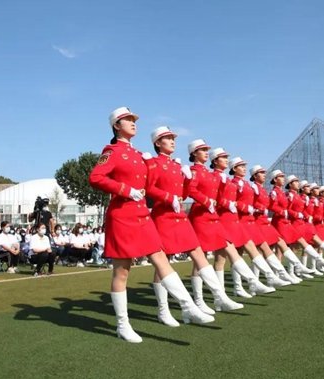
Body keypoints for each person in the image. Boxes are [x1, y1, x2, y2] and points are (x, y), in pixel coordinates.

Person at [89, 107, 214, 343]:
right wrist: (126, 190)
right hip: (122, 215)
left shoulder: (138, 155)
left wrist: (182, 177)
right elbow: (96, 177)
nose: (133, 123)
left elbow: (157, 184)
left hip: (142, 215)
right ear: (117, 125)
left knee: (161, 259)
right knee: (122, 271)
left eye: (134, 120)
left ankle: (187, 306)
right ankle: (122, 325)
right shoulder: (112, 151)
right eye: (128, 120)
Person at [145, 127, 243, 325]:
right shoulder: (155, 164)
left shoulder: (176, 166)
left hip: (179, 216)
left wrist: (186, 180)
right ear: (157, 143)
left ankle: (219, 296)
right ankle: (164, 310)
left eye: (173, 138)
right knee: (164, 262)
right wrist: (168, 197)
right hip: (163, 216)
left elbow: (183, 192)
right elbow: (150, 188)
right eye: (168, 138)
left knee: (198, 253)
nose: (173, 141)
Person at [187, 140, 273, 300]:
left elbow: (218, 196)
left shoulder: (210, 174)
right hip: (203, 216)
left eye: (207, 150)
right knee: (201, 259)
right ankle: (200, 299)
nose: (206, 152)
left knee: (223, 255)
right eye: (202, 150)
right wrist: (209, 201)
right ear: (194, 154)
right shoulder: (197, 171)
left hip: (215, 218)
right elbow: (192, 191)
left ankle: (249, 283)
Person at [209, 152, 282, 297]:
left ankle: (269, 276)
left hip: (234, 219)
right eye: (240, 166)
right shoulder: (221, 178)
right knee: (221, 259)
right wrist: (235, 205)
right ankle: (224, 294)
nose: (243, 168)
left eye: (244, 166)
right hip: (225, 220)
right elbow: (219, 199)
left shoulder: (232, 181)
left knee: (238, 253)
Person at [268, 171, 324, 280]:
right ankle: (284, 273)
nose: (283, 178)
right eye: (295, 181)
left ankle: (291, 272)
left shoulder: (287, 194)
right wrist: (287, 213)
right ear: (276, 179)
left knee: (286, 248)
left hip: (287, 222)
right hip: (282, 222)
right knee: (275, 250)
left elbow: (299, 209)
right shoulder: (281, 193)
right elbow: (273, 206)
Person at [248, 165, 303, 284]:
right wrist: (281, 211)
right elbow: (269, 206)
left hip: (269, 222)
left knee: (274, 248)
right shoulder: (268, 191)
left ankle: (282, 273)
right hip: (262, 222)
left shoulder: (266, 190)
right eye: (281, 177)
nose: (283, 179)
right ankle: (261, 280)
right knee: (261, 251)